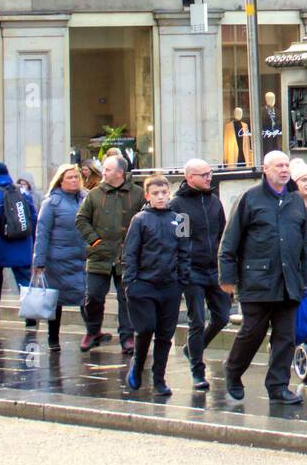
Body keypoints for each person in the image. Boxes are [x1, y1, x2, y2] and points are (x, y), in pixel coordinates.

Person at [218, 150, 307, 404]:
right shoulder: (249, 198)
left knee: (285, 337)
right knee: (252, 332)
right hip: (257, 281)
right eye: (278, 166)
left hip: (289, 282)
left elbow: (304, 244)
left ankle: (278, 387)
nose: (284, 170)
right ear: (265, 169)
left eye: (286, 166)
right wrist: (227, 277)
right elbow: (230, 241)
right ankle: (233, 370)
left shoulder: (295, 200)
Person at [122, 175, 191, 396]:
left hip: (170, 285)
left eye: (164, 193)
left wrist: (182, 279)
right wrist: (130, 282)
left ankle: (159, 377)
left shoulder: (180, 219)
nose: (161, 197)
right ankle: (138, 364)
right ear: (148, 196)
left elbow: (184, 251)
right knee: (145, 328)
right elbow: (130, 253)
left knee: (165, 334)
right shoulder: (140, 220)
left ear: (169, 193)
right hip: (143, 284)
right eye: (156, 194)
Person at [75, 154, 144, 354]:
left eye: (107, 169)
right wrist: (95, 241)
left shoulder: (137, 194)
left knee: (127, 298)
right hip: (99, 256)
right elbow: (81, 220)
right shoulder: (95, 194)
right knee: (94, 296)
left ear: (120, 173)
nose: (103, 172)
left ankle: (127, 337)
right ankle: (92, 331)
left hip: (127, 256)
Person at [171, 158, 229, 391]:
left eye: (209, 173)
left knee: (223, 316)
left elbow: (223, 234)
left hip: (214, 269)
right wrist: (183, 269)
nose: (209, 177)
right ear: (189, 178)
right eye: (203, 174)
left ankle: (193, 348)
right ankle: (197, 369)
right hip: (192, 270)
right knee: (196, 320)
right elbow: (179, 238)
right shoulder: (178, 204)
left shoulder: (214, 201)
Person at [31, 163, 88, 351]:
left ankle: (92, 333)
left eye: (76, 177)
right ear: (60, 181)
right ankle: (53, 337)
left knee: (87, 296)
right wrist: (39, 260)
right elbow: (42, 232)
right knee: (55, 300)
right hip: (58, 259)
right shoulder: (51, 202)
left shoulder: (86, 199)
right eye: (70, 177)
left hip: (82, 258)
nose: (74, 181)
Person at [0, 163, 38, 329]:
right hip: (22, 243)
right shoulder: (22, 192)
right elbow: (33, 218)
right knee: (24, 282)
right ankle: (31, 316)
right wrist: (32, 242)